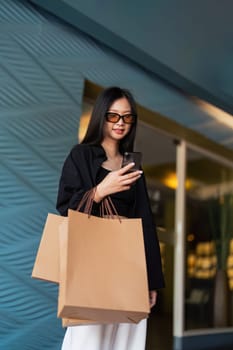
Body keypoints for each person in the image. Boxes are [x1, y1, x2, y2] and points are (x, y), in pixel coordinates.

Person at [56, 86, 165, 350]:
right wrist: (100, 191)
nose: (120, 123)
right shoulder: (81, 155)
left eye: (127, 117)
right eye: (113, 115)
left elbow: (145, 225)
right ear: (101, 116)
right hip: (92, 264)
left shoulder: (132, 166)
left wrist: (150, 280)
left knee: (128, 341)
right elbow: (64, 207)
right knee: (89, 341)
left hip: (128, 266)